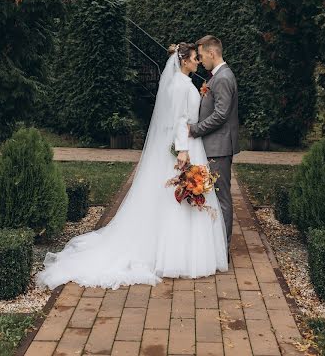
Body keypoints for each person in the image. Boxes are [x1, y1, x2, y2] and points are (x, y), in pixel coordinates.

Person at [36, 42, 228, 291]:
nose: (197, 62)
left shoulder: (179, 83)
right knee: (180, 196)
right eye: (194, 58)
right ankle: (178, 255)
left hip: (190, 142)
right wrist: (182, 149)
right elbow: (179, 120)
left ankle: (179, 252)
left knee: (180, 196)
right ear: (184, 61)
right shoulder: (180, 86)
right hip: (186, 145)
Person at [188, 35, 239, 259]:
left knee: (222, 199)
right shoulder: (216, 77)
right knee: (216, 197)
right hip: (214, 146)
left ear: (212, 53)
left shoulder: (223, 78)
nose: (200, 61)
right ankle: (216, 248)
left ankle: (222, 251)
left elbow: (221, 114)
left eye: (201, 56)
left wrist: (195, 129)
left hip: (218, 147)